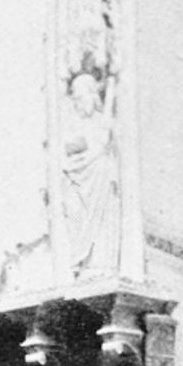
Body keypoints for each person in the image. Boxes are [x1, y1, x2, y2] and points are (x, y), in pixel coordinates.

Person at [61, 62, 120, 276]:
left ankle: (98, 264)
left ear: (92, 96)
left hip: (98, 178)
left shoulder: (102, 121)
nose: (78, 103)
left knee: (102, 221)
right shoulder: (74, 124)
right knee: (74, 212)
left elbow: (103, 144)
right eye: (75, 98)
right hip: (78, 177)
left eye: (81, 97)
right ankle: (79, 259)